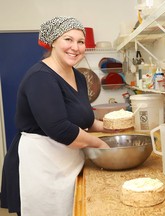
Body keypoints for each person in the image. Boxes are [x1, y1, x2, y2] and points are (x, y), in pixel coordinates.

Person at [1, 16, 110, 216]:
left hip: (67, 161)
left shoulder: (78, 76)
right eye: (68, 39)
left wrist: (109, 127)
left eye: (81, 41)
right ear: (53, 42)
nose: (75, 47)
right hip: (39, 165)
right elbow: (61, 129)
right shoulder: (41, 77)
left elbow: (83, 119)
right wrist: (100, 145)